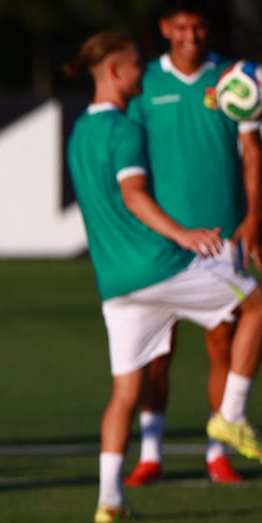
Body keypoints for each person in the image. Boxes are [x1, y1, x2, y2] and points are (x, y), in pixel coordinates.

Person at [64, 30, 262, 523]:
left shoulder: (79, 133)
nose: (142, 71)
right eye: (134, 64)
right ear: (114, 71)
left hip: (115, 285)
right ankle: (232, 415)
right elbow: (132, 196)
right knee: (257, 303)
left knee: (124, 394)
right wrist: (184, 235)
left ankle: (109, 500)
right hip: (159, 266)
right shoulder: (125, 129)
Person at [123, 0, 262, 486]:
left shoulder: (234, 78)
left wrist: (253, 218)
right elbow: (129, 162)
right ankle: (151, 454)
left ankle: (217, 452)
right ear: (166, 28)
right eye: (181, 26)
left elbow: (251, 152)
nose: (191, 35)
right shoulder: (144, 82)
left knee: (222, 345)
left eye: (199, 26)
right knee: (156, 353)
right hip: (162, 242)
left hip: (222, 237)